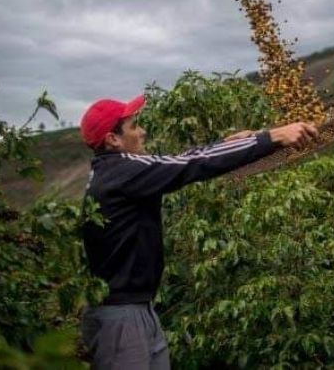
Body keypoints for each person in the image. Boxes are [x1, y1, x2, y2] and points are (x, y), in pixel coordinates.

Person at [78, 94, 317, 369]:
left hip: (136, 309)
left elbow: (179, 160)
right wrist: (271, 138)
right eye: (133, 126)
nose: (141, 131)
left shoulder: (114, 171)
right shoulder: (124, 172)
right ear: (113, 140)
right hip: (122, 319)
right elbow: (192, 165)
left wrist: (226, 145)